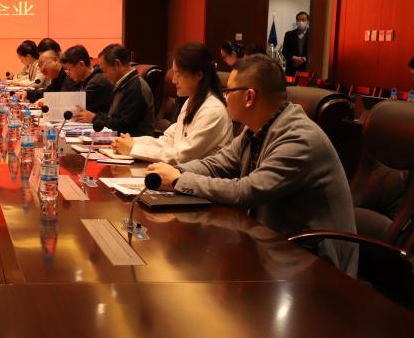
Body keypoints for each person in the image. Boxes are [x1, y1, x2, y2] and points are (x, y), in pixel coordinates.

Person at [147, 54, 357, 276]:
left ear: (249, 97)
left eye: (228, 91)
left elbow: (246, 191)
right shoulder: (256, 128)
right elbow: (219, 163)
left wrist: (179, 181)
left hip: (313, 263)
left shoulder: (299, 139)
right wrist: (176, 171)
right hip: (274, 247)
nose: (224, 97)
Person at [113, 42, 232, 164]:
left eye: (178, 74)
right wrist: (132, 142)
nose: (174, 80)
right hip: (183, 171)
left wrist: (133, 149)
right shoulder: (191, 102)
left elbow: (182, 156)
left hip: (197, 174)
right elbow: (169, 141)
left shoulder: (213, 110)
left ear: (199, 75)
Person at [75, 43, 154, 136]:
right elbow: (114, 118)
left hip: (135, 142)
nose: (104, 75)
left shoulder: (134, 87)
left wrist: (94, 118)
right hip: (119, 138)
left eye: (105, 71)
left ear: (117, 64)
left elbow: (124, 126)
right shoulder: (125, 83)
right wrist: (94, 117)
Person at [60, 45, 114, 114]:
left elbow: (74, 109)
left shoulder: (97, 82)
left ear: (81, 64)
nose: (68, 74)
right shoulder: (90, 78)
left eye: (69, 69)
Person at [282, 12, 311, 77]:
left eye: (303, 20)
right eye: (298, 20)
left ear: (307, 21)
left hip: (306, 70)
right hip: (291, 70)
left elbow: (315, 52)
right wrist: (294, 58)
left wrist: (303, 59)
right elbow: (284, 51)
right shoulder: (289, 34)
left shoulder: (312, 35)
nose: (300, 22)